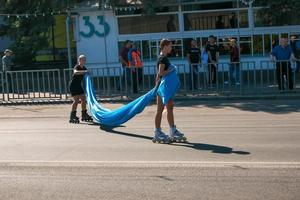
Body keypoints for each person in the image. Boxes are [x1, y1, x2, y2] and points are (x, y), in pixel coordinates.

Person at [153, 38, 186, 143]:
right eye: (170, 46)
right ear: (165, 46)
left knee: (170, 108)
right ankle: (157, 132)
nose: (171, 48)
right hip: (162, 88)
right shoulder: (163, 58)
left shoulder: (163, 57)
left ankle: (172, 130)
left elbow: (158, 75)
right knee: (160, 110)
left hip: (164, 88)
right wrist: (170, 70)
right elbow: (161, 73)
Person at [69, 55, 93, 123]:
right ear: (79, 60)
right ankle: (72, 115)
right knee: (76, 100)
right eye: (82, 60)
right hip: (73, 85)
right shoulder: (77, 66)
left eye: (84, 60)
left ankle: (84, 114)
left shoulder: (84, 68)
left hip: (79, 85)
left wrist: (88, 73)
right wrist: (85, 72)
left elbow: (87, 72)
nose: (84, 61)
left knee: (83, 99)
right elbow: (76, 72)